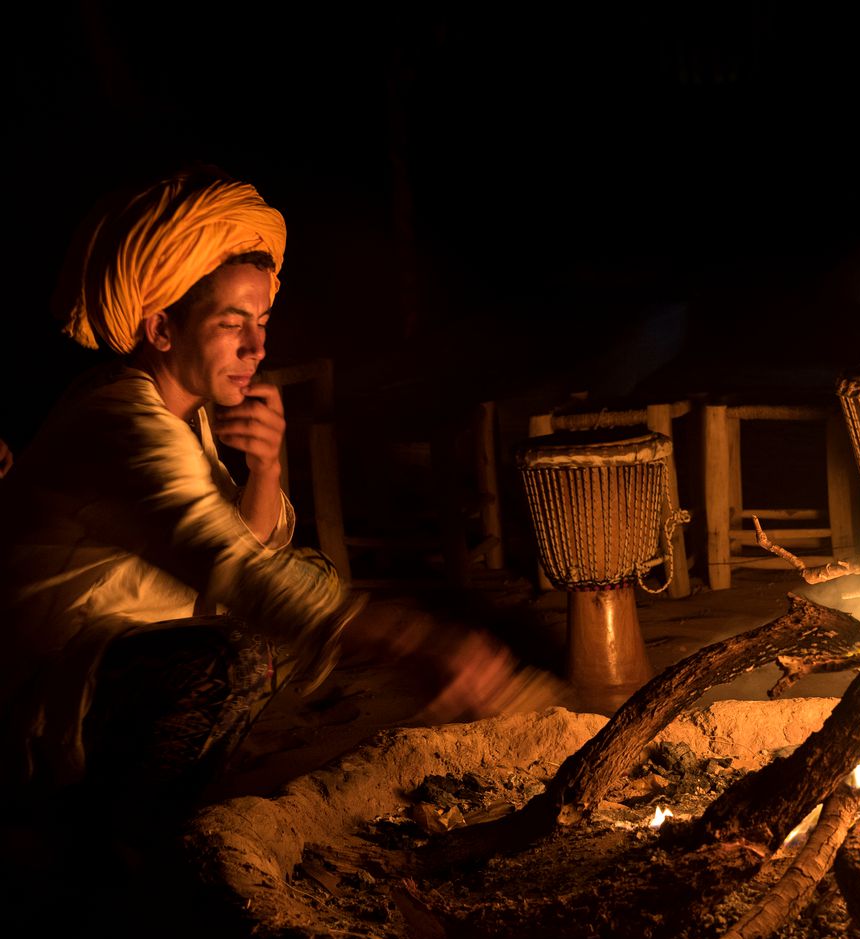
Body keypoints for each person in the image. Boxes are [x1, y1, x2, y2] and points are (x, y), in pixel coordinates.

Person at [0, 169, 561, 842]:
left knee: (311, 581)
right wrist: (418, 642)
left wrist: (263, 469)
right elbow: (234, 571)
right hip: (49, 689)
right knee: (233, 659)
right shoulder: (123, 423)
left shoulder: (183, 414)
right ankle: (109, 843)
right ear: (161, 328)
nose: (258, 348)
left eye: (263, 322)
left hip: (126, 653)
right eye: (231, 324)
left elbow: (246, 548)